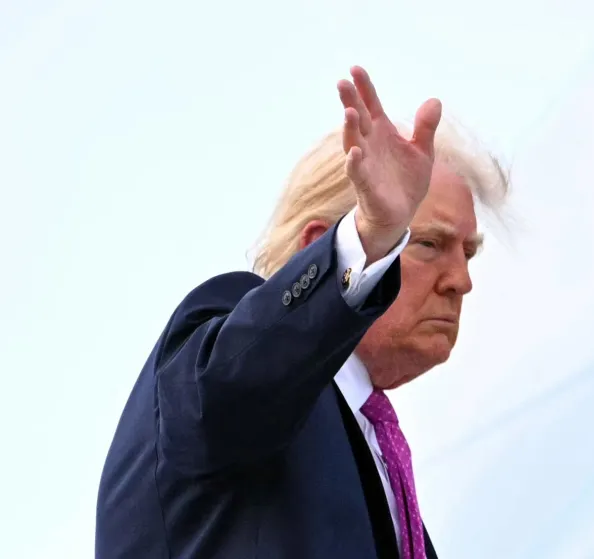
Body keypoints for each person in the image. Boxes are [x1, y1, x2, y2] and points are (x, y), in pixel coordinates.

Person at [95, 66, 509, 558]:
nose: (461, 280)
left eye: (469, 252)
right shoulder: (231, 356)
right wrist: (372, 238)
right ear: (320, 245)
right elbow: (228, 393)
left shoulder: (376, 458)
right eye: (429, 243)